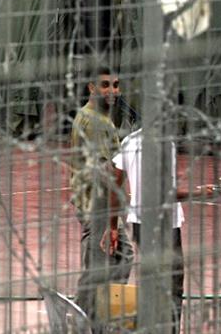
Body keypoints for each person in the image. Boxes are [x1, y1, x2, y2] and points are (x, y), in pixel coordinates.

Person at [113, 128, 215, 333]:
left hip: (140, 222)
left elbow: (114, 183)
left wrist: (112, 225)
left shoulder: (130, 140)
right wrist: (199, 192)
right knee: (172, 286)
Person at [70, 66, 133, 328]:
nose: (113, 91)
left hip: (97, 201)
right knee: (99, 266)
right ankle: (82, 321)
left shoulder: (96, 118)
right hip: (98, 204)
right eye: (105, 85)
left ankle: (100, 314)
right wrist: (112, 220)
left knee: (119, 258)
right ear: (91, 88)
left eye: (116, 85)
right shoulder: (95, 122)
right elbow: (107, 172)